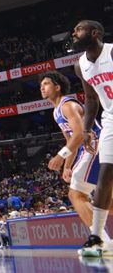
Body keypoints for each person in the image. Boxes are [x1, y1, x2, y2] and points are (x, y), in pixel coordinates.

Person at [41, 71, 104, 233]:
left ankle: (100, 241)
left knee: (76, 194)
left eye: (46, 84)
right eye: (41, 85)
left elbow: (79, 134)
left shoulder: (68, 105)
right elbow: (71, 141)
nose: (42, 87)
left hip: (96, 145)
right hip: (90, 149)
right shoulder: (56, 112)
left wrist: (60, 157)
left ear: (57, 87)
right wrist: (67, 166)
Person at [74, 20, 113, 256]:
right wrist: (86, 129)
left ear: (94, 33)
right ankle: (97, 237)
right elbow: (90, 98)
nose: (74, 34)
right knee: (105, 175)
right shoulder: (80, 65)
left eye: (79, 30)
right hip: (110, 118)